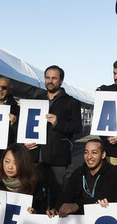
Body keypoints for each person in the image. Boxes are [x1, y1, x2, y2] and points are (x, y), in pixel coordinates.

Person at [28, 65, 82, 207]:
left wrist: (58, 123)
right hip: (35, 156)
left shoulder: (71, 102)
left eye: (54, 78)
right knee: (34, 193)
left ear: (61, 80)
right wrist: (24, 142)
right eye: (47, 78)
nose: (50, 81)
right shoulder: (36, 100)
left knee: (56, 194)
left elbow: (77, 127)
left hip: (58, 157)